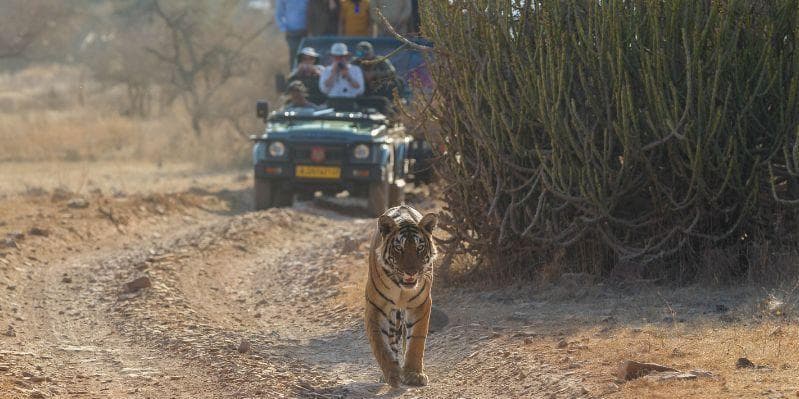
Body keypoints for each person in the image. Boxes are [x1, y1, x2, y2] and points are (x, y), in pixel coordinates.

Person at [275, 0, 310, 69]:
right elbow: (279, 15)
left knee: (308, 55)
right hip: (292, 33)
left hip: (307, 32)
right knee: (295, 55)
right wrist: (284, 28)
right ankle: (294, 73)